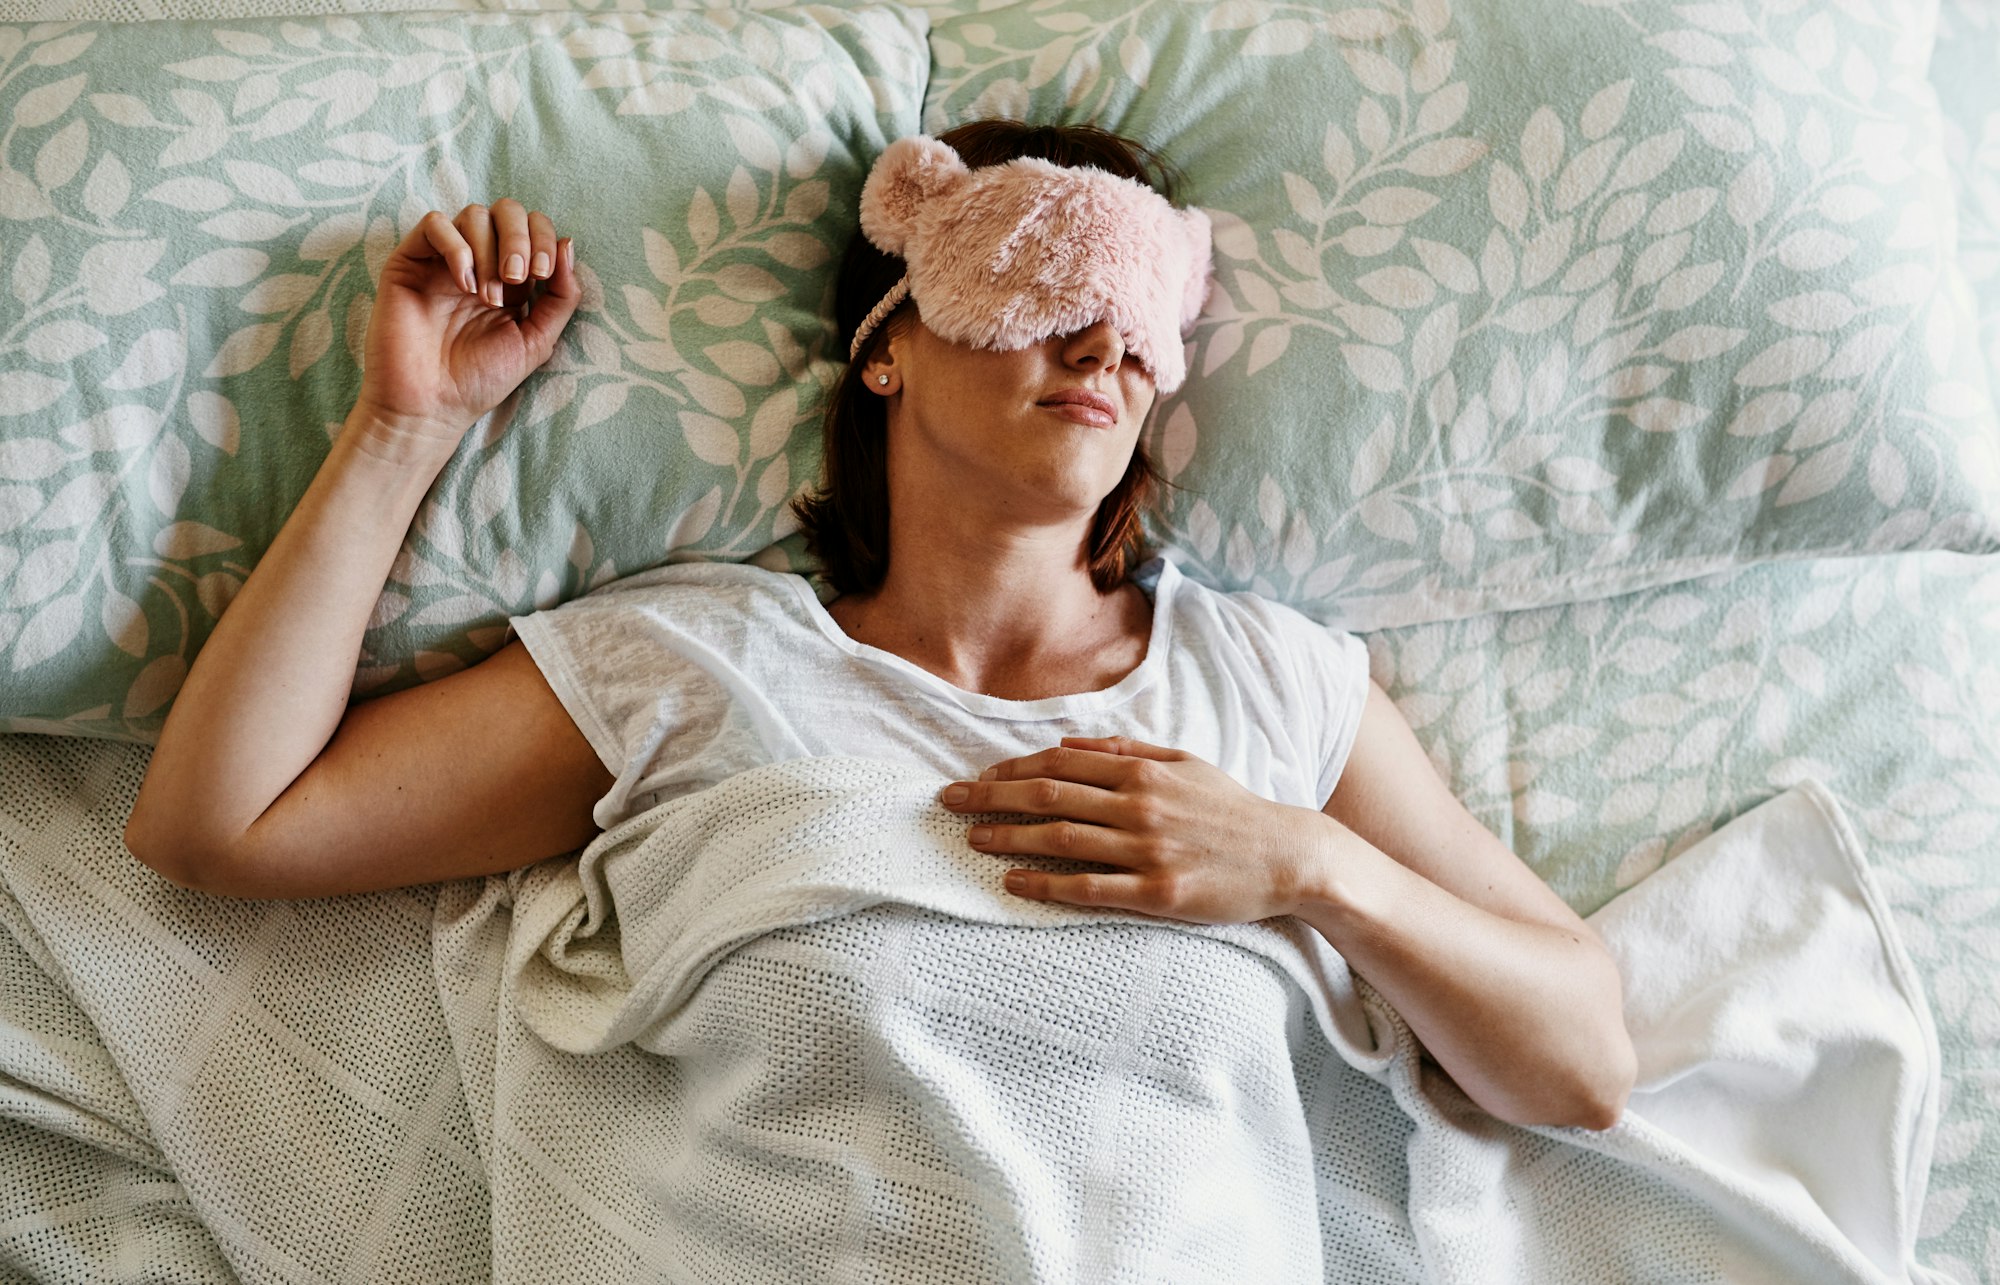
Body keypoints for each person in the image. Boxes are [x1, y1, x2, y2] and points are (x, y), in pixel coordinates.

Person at [123, 119, 1633, 1171]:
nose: (1105, 344)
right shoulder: (693, 665)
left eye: (1141, 319)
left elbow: (1584, 1060)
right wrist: (409, 426)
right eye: (1048, 283)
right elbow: (218, 823)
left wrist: (1311, 865)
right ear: (890, 341)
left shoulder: (1272, 686)